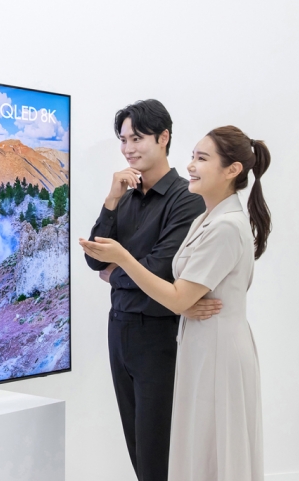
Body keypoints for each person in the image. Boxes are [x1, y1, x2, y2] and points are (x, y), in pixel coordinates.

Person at [81, 125, 269, 481]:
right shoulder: (204, 217)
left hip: (210, 347)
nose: (192, 165)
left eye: (202, 159)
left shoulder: (216, 220)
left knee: (207, 449)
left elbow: (170, 282)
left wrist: (122, 262)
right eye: (193, 157)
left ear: (232, 170)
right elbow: (98, 259)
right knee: (186, 450)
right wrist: (178, 300)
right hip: (188, 340)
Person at [84, 99, 209, 481]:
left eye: (136, 138)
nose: (128, 148)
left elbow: (160, 270)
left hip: (158, 334)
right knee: (137, 446)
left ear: (163, 137)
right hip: (118, 329)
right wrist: (111, 200)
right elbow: (94, 260)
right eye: (123, 140)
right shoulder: (125, 195)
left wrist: (115, 273)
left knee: (158, 450)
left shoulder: (187, 198)